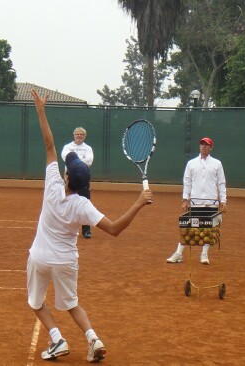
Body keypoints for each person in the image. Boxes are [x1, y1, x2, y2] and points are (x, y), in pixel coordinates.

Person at [27, 89, 153, 362]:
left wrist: (40, 110)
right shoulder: (83, 205)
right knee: (72, 305)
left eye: (68, 166)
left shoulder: (52, 185)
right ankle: (93, 339)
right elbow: (115, 228)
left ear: (67, 175)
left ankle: (57, 339)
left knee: (36, 303)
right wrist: (139, 202)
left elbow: (49, 145)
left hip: (40, 258)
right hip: (66, 261)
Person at [166, 137, 227, 265]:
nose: (204, 146)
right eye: (202, 144)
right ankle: (178, 254)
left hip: (211, 203)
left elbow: (221, 183)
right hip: (195, 203)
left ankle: (204, 255)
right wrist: (185, 200)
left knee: (207, 230)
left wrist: (223, 200)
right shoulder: (191, 163)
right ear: (200, 147)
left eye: (207, 145)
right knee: (188, 228)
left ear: (211, 148)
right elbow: (187, 182)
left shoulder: (217, 164)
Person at [61, 127, 94, 239]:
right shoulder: (67, 147)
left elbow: (89, 161)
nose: (79, 136)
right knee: (65, 202)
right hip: (68, 179)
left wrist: (74, 161)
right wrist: (80, 161)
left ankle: (86, 230)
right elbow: (66, 158)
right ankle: (65, 229)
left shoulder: (88, 148)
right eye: (77, 134)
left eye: (81, 134)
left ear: (84, 136)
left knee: (85, 202)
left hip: (83, 180)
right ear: (74, 135)